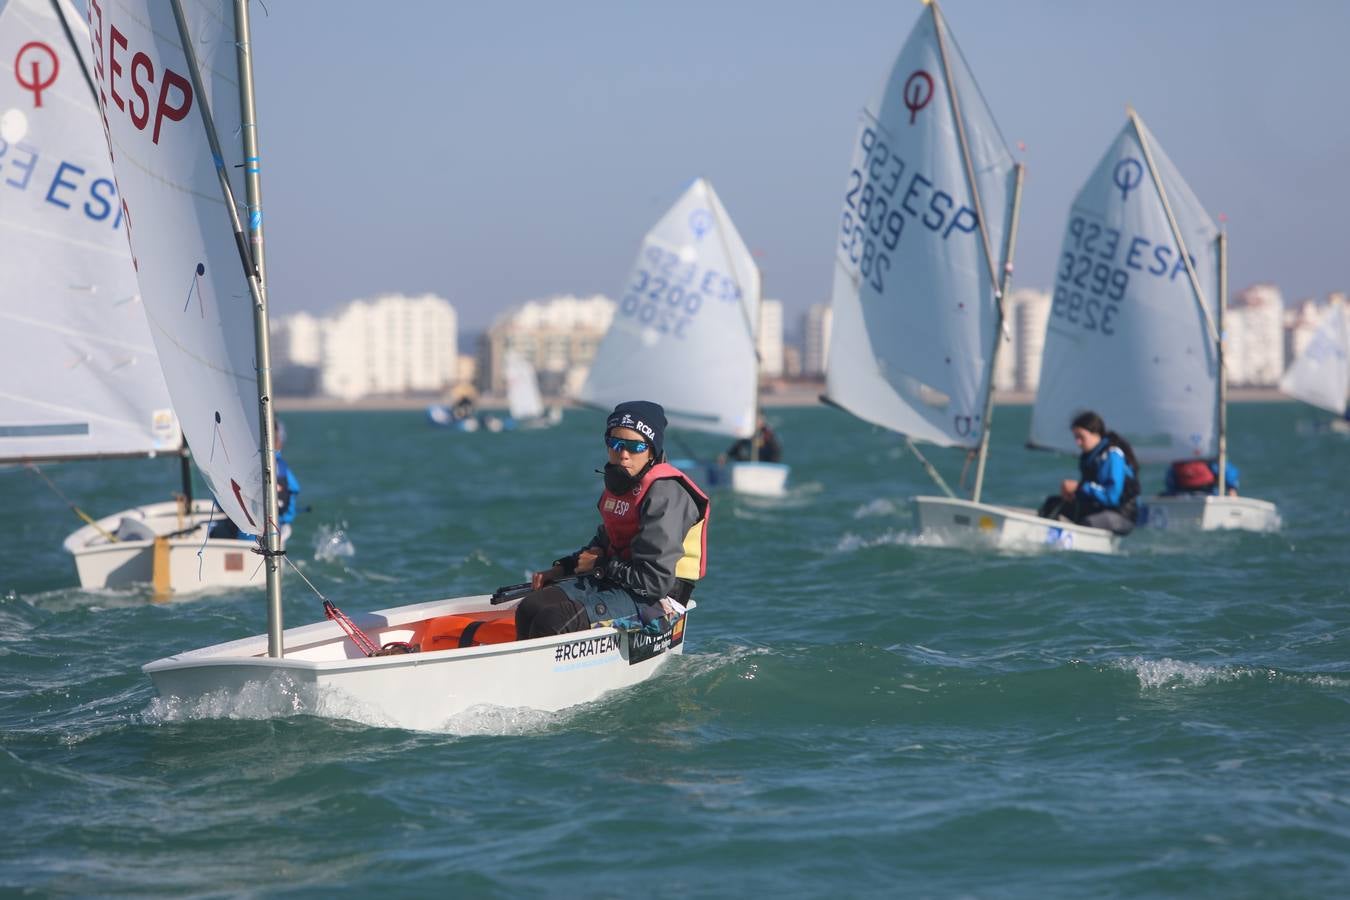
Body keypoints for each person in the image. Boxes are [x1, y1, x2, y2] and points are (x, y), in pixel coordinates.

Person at [514, 400, 710, 640]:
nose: (623, 455)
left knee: (553, 620)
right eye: (615, 444)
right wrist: (563, 567)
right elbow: (606, 541)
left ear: (652, 450)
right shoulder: (624, 483)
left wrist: (600, 566)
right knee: (530, 607)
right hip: (618, 580)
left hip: (660, 600)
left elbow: (654, 582)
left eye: (635, 447)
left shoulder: (665, 495)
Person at [1036, 410, 1140, 535]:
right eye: (1076, 438)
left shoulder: (1113, 455)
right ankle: (1043, 536)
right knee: (1052, 504)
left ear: (1095, 433)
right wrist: (1074, 493)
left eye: (1081, 437)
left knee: (1087, 523)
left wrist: (1080, 487)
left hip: (1121, 516)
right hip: (1099, 509)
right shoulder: (1090, 457)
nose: (1078, 442)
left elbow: (1112, 497)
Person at [208, 419, 302, 542]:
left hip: (243, 535)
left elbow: (221, 503)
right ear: (278, 442)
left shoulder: (242, 466)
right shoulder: (284, 471)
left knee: (215, 530)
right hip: (273, 533)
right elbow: (290, 506)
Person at [1162, 458, 1239, 497]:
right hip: (1182, 495)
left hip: (1208, 493)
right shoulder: (1179, 462)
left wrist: (1232, 489)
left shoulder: (1209, 459)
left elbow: (1227, 471)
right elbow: (1171, 483)